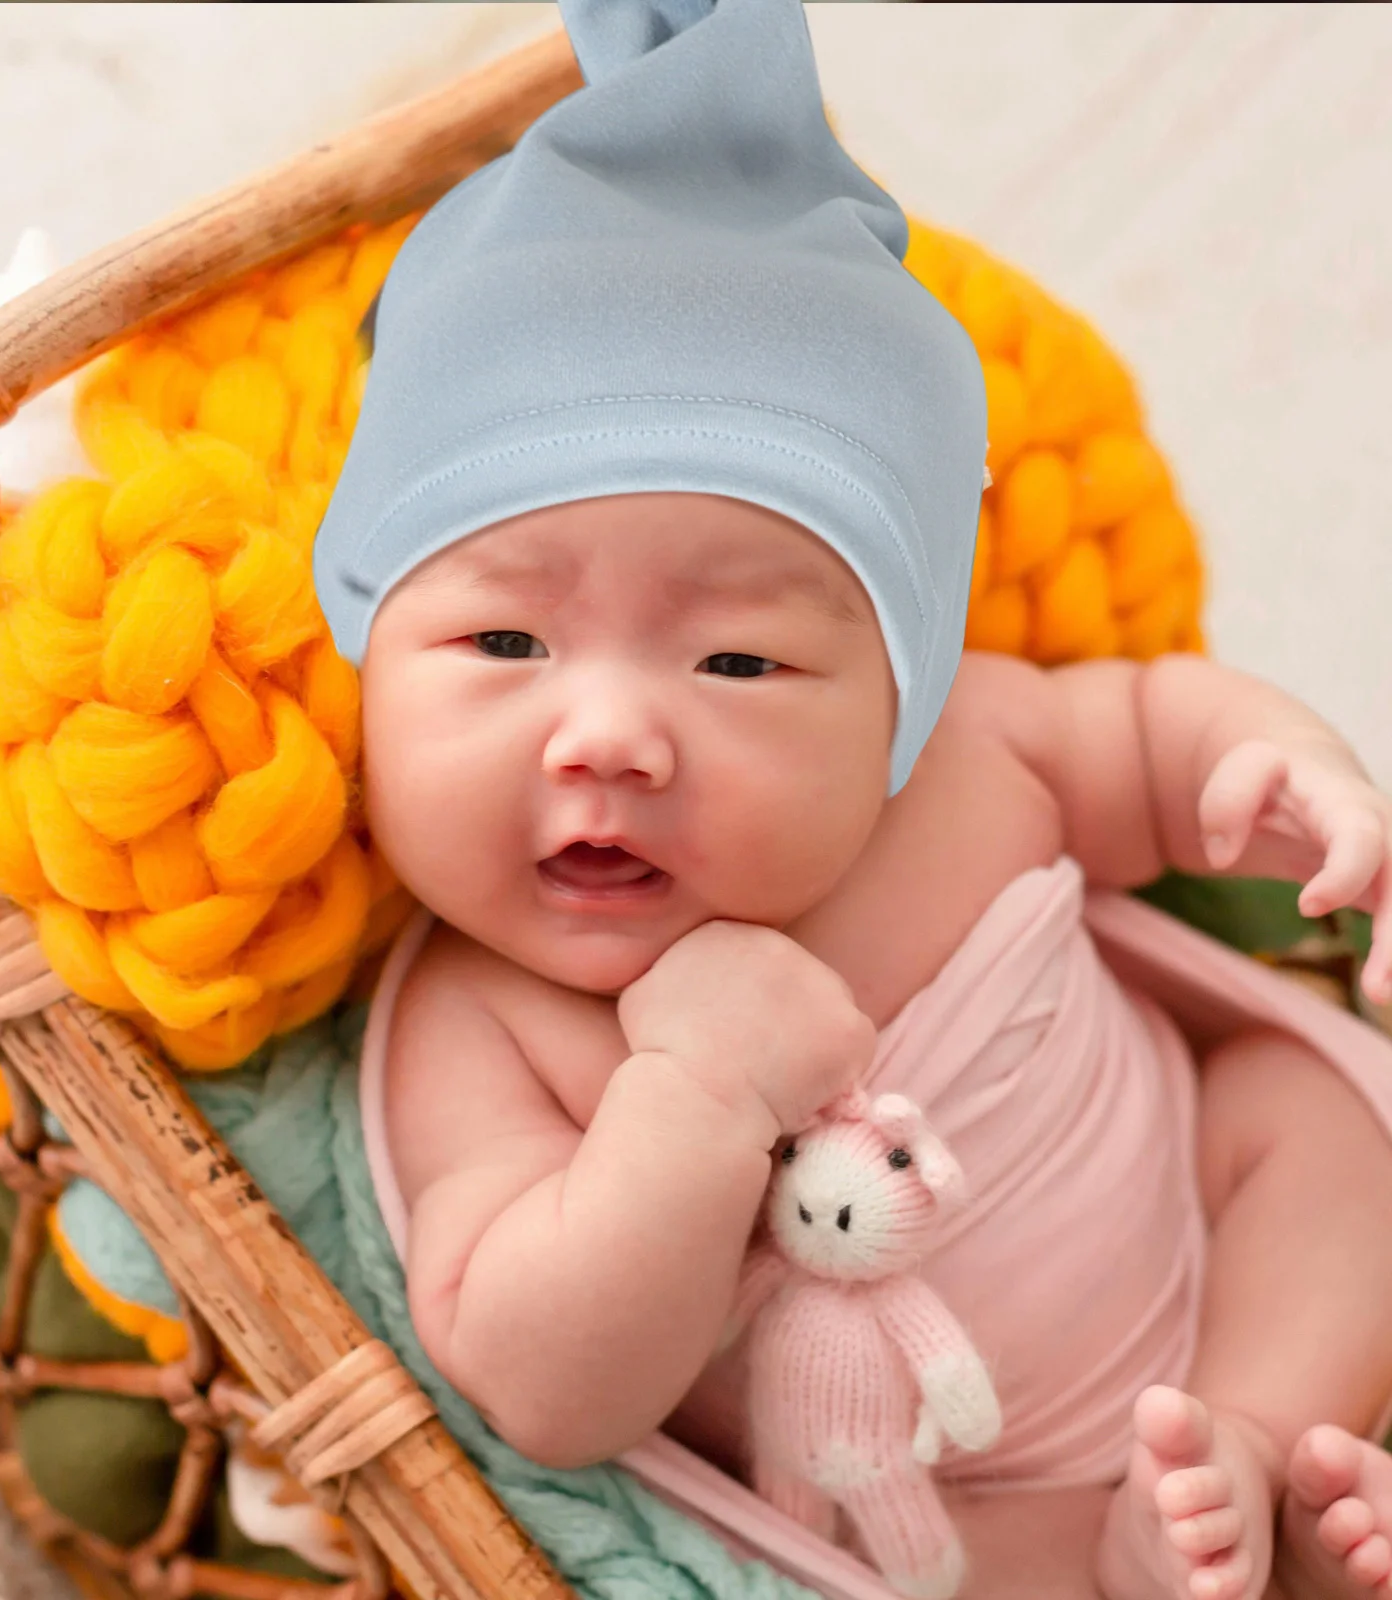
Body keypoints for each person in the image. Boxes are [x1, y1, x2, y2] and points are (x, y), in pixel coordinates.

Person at [313, 2, 1392, 1595]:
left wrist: (1285, 765)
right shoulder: (479, 1026)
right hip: (953, 1504)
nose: (608, 736)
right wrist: (692, 1101)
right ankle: (1171, 1556)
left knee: (1319, 1124)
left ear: (903, 682)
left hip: (1212, 1237)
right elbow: (546, 1391)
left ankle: (1254, 1442)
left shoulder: (973, 763)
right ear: (364, 659)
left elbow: (1159, 731)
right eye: (503, 639)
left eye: (739, 663)